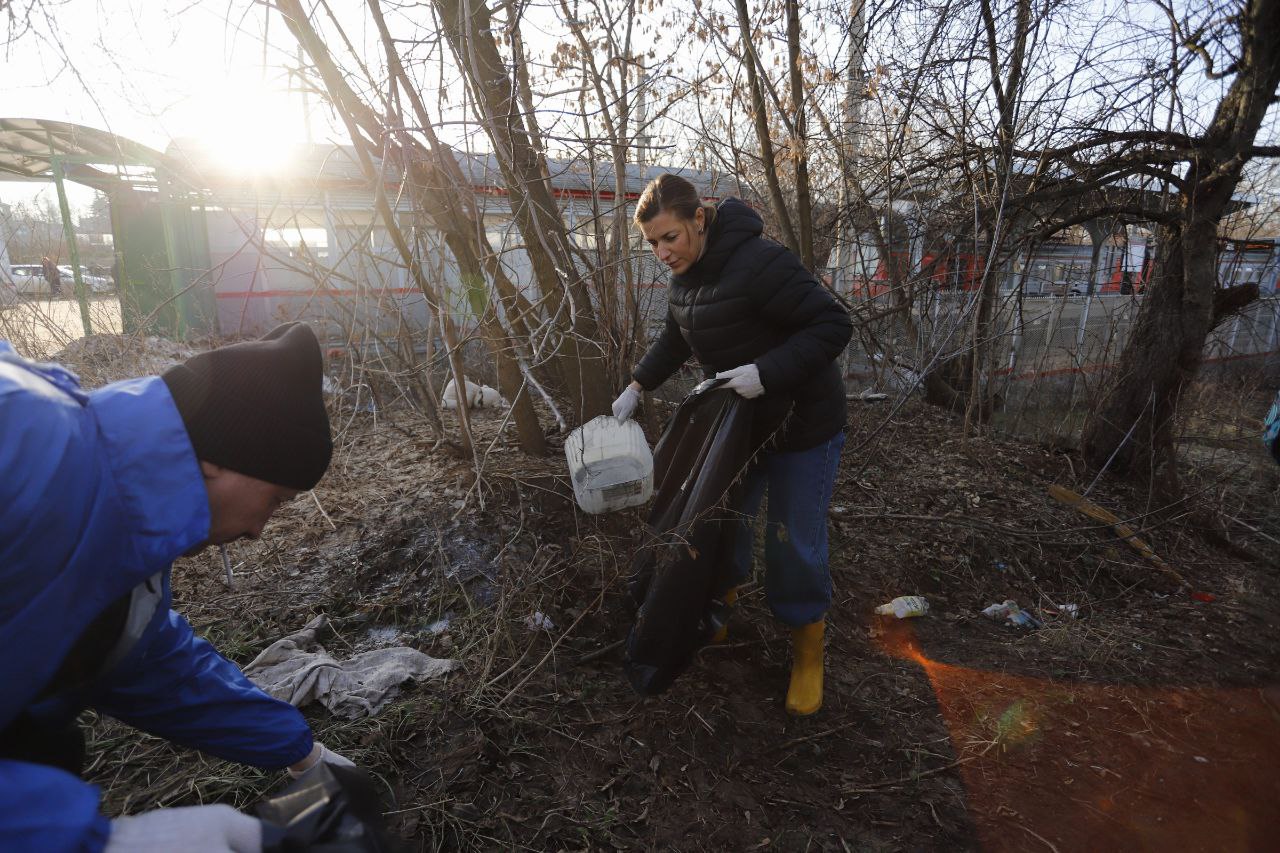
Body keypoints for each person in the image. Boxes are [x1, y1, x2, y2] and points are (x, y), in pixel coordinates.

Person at [1, 322, 354, 852]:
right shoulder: (30, 449)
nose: (260, 530)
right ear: (216, 458)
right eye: (276, 500)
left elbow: (145, 660)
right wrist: (85, 842)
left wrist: (299, 750)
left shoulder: (123, 526)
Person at [613, 174, 853, 716]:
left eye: (669, 237)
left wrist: (766, 372)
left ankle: (807, 650)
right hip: (743, 428)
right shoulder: (685, 278)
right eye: (652, 243)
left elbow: (833, 324)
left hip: (802, 427)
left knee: (792, 541)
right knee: (723, 522)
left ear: (698, 219)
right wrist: (636, 385)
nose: (661, 252)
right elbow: (678, 335)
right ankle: (718, 613)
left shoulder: (760, 263)